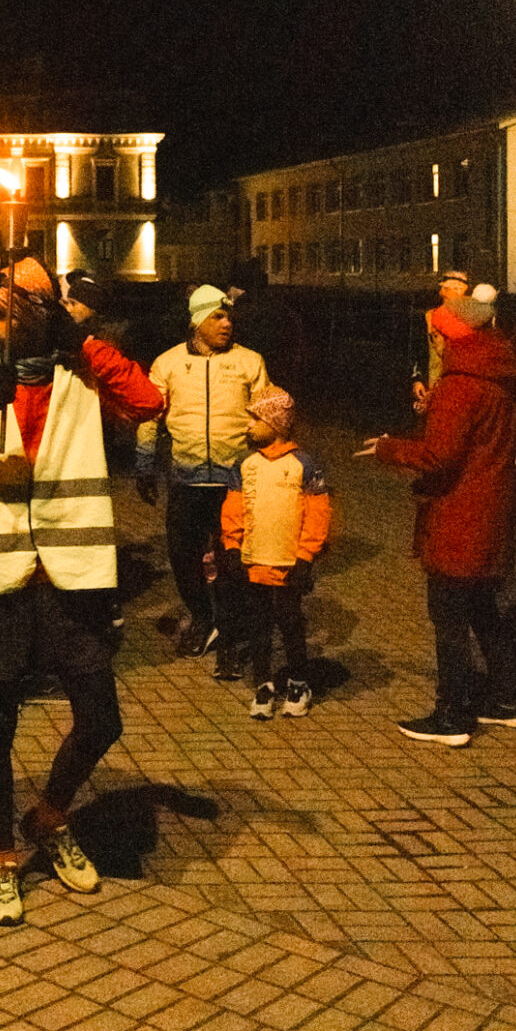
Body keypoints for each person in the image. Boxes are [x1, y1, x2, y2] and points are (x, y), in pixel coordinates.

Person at [0, 257, 163, 926]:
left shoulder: (82, 372)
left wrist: (82, 341)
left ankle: (49, 816)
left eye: (4, 315)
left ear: (39, 317)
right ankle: (2, 857)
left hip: (69, 572)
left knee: (101, 719)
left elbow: (148, 402)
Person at [361, 291, 516, 745]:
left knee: (449, 616)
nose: (432, 342)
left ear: (447, 336)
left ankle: (452, 715)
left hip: (459, 514)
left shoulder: (460, 384)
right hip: (493, 510)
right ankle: (510, 698)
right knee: (483, 609)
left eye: (433, 334)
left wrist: (388, 448)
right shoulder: (505, 376)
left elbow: (439, 455)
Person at [134, 284, 270, 658]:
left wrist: (268, 450)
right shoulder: (168, 363)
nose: (227, 324)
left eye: (229, 317)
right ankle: (202, 616)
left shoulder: (250, 361)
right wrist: (144, 464)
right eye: (218, 317)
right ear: (197, 321)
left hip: (235, 482)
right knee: (183, 556)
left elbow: (268, 414)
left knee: (233, 560)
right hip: (187, 480)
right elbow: (149, 415)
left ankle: (229, 624)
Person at [218, 388, 330, 718]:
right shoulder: (244, 464)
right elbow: (234, 509)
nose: (248, 426)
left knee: (290, 621)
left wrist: (306, 556)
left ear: (276, 423)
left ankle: (298, 682)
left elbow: (318, 513)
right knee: (259, 624)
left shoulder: (304, 464)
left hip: (287, 563)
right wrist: (232, 547)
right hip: (254, 561)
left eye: (255, 419)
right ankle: (263, 683)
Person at [418, 268, 470, 403]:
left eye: (448, 290)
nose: (443, 293)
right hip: (433, 390)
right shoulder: (430, 317)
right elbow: (419, 352)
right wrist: (417, 380)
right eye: (444, 290)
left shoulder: (471, 322)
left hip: (461, 391)